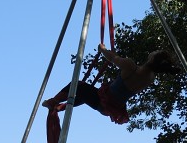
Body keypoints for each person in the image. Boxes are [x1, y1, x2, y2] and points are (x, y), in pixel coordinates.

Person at [42, 44, 179, 124]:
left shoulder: (130, 66)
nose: (153, 51)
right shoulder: (150, 78)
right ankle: (60, 107)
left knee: (78, 85)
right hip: (111, 107)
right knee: (84, 94)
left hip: (104, 101)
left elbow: (112, 58)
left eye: (155, 52)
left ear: (153, 58)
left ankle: (53, 101)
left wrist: (102, 49)